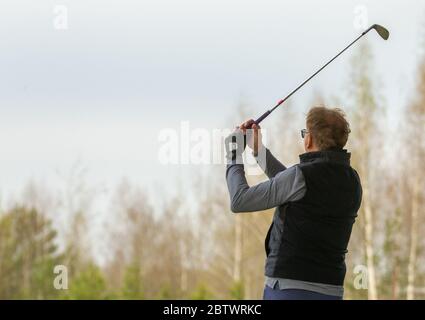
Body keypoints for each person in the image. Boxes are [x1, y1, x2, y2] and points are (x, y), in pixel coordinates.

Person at [225, 106, 362, 300]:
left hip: (288, 290)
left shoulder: (301, 176)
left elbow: (239, 200)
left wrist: (233, 152)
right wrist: (258, 151)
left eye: (304, 133)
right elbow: (293, 188)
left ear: (309, 139)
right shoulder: (353, 180)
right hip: (331, 291)